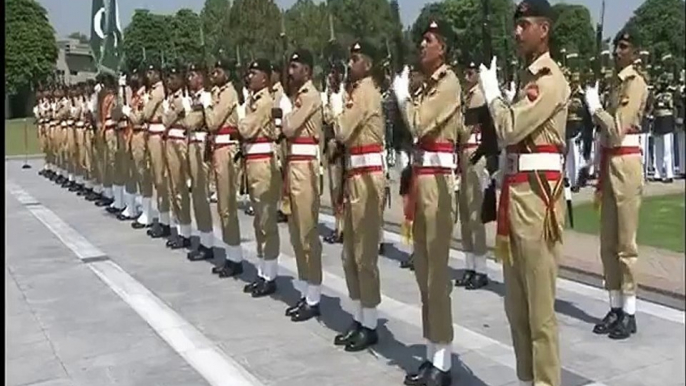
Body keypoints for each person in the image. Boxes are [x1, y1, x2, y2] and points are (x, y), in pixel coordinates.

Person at [480, 0, 571, 384]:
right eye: (516, 25)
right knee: (516, 310)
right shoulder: (527, 79)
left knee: (540, 314)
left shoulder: (549, 79)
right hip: (515, 197)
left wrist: (493, 96)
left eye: (525, 24)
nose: (517, 32)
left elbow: (510, 128)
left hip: (537, 201)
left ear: (544, 29)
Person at [393, 20, 460, 385]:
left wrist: (403, 97)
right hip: (422, 180)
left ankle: (444, 362)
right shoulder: (430, 85)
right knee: (423, 272)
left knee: (436, 275)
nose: (422, 45)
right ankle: (433, 353)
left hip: (437, 184)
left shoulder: (448, 84)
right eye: (421, 39)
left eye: (429, 40)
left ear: (443, 48)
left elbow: (419, 124)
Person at [584, 28, 649, 341]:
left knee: (625, 244)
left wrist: (596, 108)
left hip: (625, 164)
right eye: (616, 46)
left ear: (635, 52)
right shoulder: (615, 84)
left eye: (624, 47)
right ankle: (614, 305)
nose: (617, 51)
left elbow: (618, 128)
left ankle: (630, 311)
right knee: (607, 242)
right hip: (609, 163)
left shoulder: (634, 84)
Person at [328, 40, 385, 352]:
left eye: (356, 59)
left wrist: (336, 108)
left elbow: (343, 130)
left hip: (367, 177)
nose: (351, 64)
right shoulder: (355, 92)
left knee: (364, 253)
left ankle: (371, 322)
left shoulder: (365, 92)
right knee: (350, 251)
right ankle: (360, 315)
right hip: (355, 175)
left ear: (368, 65)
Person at [279, 49, 325, 322]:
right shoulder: (299, 97)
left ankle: (314, 295)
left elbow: (289, 128)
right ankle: (307, 291)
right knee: (297, 233)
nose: (291, 71)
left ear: (307, 71)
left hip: (305, 168)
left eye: (295, 67)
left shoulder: (310, 96)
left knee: (307, 233)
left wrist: (285, 114)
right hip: (294, 165)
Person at [238, 59, 281, 298]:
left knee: (266, 221)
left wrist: (240, 121)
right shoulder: (252, 101)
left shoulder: (264, 102)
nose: (249, 76)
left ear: (264, 78)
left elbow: (246, 129)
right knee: (258, 223)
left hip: (263, 164)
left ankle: (270, 274)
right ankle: (263, 270)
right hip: (252, 163)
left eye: (253, 73)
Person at [206, 58, 245, 277]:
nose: (214, 74)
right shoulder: (218, 93)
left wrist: (206, 105)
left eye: (218, 71)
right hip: (219, 148)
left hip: (227, 149)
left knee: (227, 204)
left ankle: (235, 257)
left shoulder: (228, 94)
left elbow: (212, 121)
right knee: (223, 205)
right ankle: (231, 254)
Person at [455, 60, 490, 290]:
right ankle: (469, 265)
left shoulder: (478, 96)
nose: (467, 77)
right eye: (465, 73)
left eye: (471, 72)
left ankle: (481, 268)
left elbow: (464, 128)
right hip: (463, 156)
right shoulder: (464, 96)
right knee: (466, 214)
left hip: (476, 156)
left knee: (476, 214)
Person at [162, 64, 193, 250]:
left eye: (174, 77)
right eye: (169, 77)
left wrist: (172, 113)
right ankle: (180, 229)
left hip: (180, 142)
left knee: (181, 187)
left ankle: (186, 231)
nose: (170, 81)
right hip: (169, 142)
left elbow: (178, 118)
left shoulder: (185, 98)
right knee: (172, 187)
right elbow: (165, 120)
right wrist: (174, 112)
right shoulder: (171, 99)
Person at [144, 63, 173, 239]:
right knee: (157, 179)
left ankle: (165, 221)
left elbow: (147, 113)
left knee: (161, 180)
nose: (148, 75)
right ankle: (163, 219)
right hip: (151, 133)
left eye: (151, 72)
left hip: (157, 134)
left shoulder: (158, 91)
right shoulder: (153, 90)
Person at [123, 67, 155, 228]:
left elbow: (138, 119)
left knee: (143, 175)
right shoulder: (136, 96)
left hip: (140, 135)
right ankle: (136, 209)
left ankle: (148, 213)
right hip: (132, 136)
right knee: (134, 172)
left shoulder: (143, 97)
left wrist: (128, 112)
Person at [652, 66, 676, 183]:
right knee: (658, 148)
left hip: (667, 120)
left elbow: (675, 107)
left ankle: (669, 173)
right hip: (658, 121)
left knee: (667, 149)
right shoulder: (655, 94)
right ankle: (658, 172)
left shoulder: (672, 92)